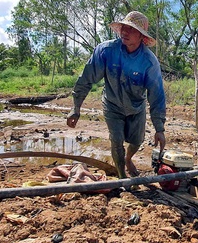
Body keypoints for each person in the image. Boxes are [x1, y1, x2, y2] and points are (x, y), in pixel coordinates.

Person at [67, 11, 166, 178]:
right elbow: (86, 79)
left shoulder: (149, 62)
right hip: (112, 105)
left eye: (131, 29)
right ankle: (122, 178)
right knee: (116, 140)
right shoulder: (106, 51)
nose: (125, 32)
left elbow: (157, 94)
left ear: (142, 36)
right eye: (124, 28)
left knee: (136, 141)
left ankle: (128, 159)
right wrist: (75, 107)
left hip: (137, 107)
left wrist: (159, 128)